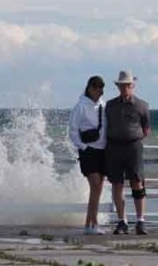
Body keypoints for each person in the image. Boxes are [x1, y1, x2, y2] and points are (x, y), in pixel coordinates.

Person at [104, 70, 150, 235]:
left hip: (133, 147)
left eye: (128, 85)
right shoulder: (110, 105)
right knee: (117, 184)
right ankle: (122, 221)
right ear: (118, 86)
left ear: (133, 85)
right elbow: (106, 126)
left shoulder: (142, 105)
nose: (125, 89)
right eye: (122, 86)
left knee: (137, 182)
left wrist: (132, 137)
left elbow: (146, 129)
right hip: (115, 147)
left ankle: (140, 221)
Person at [69, 75, 107, 235]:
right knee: (95, 186)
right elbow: (72, 130)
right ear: (90, 88)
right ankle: (94, 223)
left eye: (102, 88)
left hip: (103, 150)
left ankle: (88, 223)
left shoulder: (103, 105)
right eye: (97, 88)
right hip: (89, 151)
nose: (100, 92)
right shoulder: (80, 106)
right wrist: (83, 147)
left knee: (98, 188)